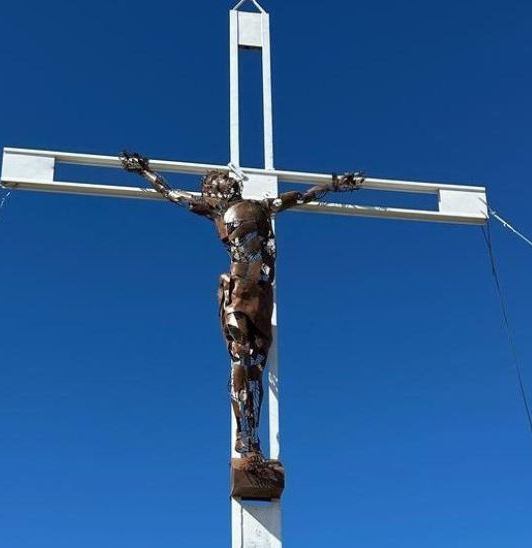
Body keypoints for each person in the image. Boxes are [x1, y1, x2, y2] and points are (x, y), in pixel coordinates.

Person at [120, 151, 363, 460]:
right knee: (240, 357)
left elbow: (303, 196)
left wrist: (334, 184)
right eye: (215, 183)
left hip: (261, 295)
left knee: (256, 369)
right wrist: (145, 172)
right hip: (236, 292)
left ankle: (253, 436)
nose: (222, 184)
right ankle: (243, 434)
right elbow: (173, 194)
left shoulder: (264, 206)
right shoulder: (216, 210)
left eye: (223, 180)